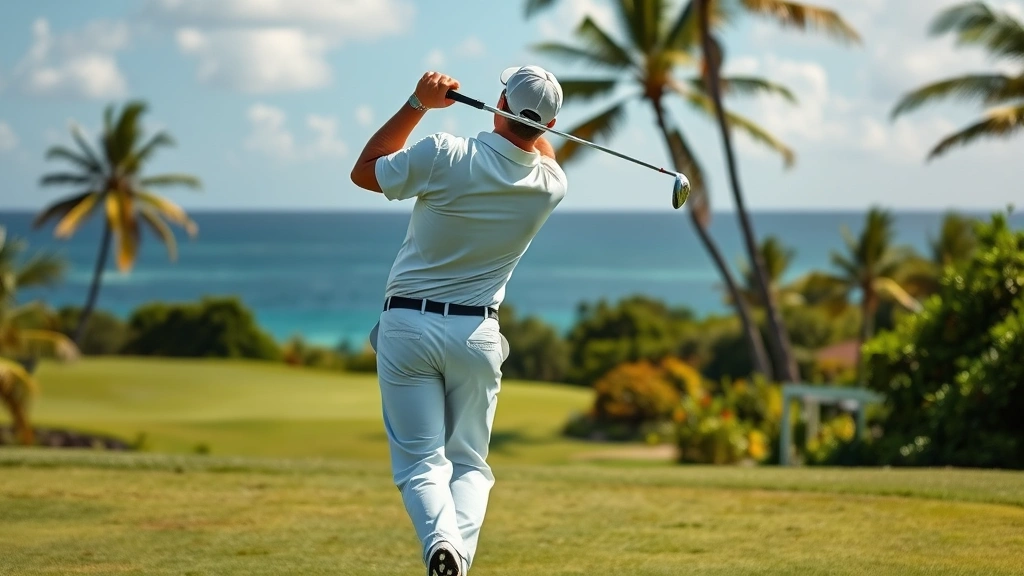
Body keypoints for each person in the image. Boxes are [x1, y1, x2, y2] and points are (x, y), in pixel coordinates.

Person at [349, 65, 567, 576]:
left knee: (422, 462)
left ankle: (442, 544)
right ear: (550, 127)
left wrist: (419, 103)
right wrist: (531, 125)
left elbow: (365, 170)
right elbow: (540, 150)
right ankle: (455, 559)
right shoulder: (549, 186)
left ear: (499, 103)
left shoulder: (445, 152)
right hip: (476, 336)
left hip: (407, 327)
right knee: (469, 464)